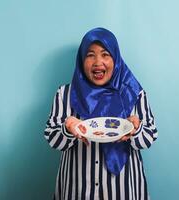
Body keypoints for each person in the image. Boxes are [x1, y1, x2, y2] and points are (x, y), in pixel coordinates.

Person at [44, 27, 158, 200]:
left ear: (116, 59)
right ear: (81, 60)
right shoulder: (65, 94)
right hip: (78, 190)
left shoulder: (134, 93)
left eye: (105, 54)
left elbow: (149, 137)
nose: (98, 62)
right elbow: (53, 139)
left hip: (124, 190)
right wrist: (68, 129)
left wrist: (137, 128)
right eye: (90, 55)